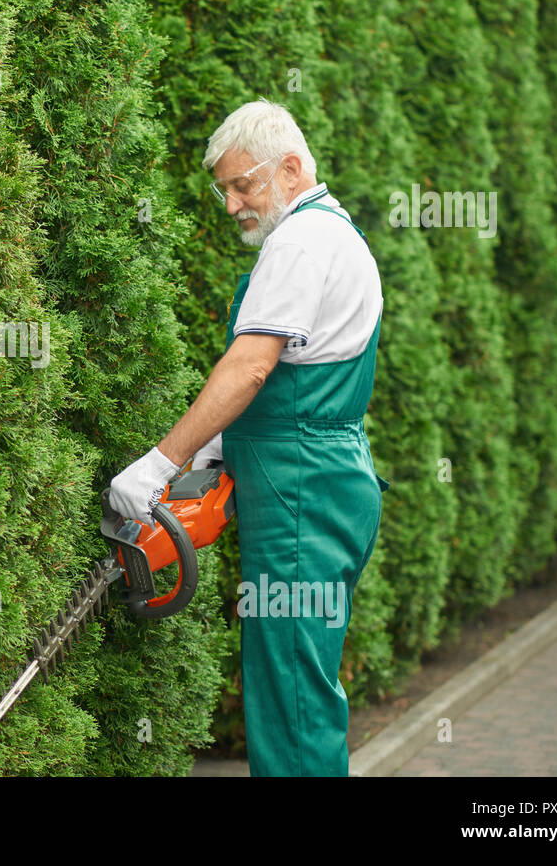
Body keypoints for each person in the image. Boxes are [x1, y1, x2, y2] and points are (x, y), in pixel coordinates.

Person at [107, 97, 390, 776]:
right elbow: (296, 373)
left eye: (244, 185)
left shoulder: (298, 241)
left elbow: (252, 364)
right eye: (224, 190)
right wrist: (220, 445)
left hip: (301, 494)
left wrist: (159, 463)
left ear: (290, 168)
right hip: (318, 481)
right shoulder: (333, 231)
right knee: (298, 686)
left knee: (291, 700)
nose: (232, 204)